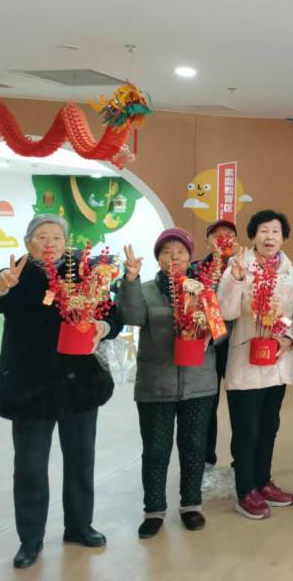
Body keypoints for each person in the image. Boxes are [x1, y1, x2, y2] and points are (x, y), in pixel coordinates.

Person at [0, 214, 122, 569]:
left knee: (81, 460)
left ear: (67, 243)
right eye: (41, 236)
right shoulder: (15, 275)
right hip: (30, 387)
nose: (50, 242)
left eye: (57, 236)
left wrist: (101, 327)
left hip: (80, 385)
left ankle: (79, 526)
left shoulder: (83, 273)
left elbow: (113, 316)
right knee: (30, 468)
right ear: (28, 243)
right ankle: (30, 539)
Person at [118, 229, 221, 538]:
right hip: (156, 384)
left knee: (194, 446)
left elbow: (218, 330)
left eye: (180, 251)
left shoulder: (203, 290)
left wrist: (207, 334)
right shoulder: (146, 289)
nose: (173, 256)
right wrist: (130, 280)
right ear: (157, 258)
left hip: (199, 382)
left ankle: (191, 505)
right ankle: (154, 510)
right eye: (166, 251)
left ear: (190, 257)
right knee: (156, 449)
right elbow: (131, 316)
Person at [217, 209, 293, 519]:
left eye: (276, 232)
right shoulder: (238, 267)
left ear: (284, 238)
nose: (270, 237)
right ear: (253, 236)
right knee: (247, 430)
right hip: (245, 361)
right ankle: (245, 491)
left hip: (277, 362)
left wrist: (287, 339)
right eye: (264, 231)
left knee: (269, 427)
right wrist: (237, 279)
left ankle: (263, 481)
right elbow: (226, 312)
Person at [198, 218, 237, 467]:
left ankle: (240, 460)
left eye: (229, 235)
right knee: (206, 403)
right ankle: (205, 459)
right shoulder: (196, 271)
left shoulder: (244, 268)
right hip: (207, 347)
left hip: (237, 346)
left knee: (239, 405)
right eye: (217, 235)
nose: (223, 240)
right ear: (207, 241)